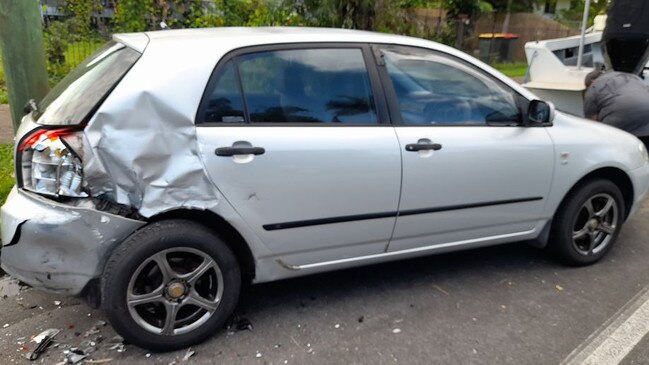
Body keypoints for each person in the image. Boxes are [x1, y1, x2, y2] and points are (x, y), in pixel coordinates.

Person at [583, 70, 649, 148]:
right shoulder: (632, 77)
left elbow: (591, 121)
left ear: (592, 81)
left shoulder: (594, 86)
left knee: (611, 145)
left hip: (620, 116)